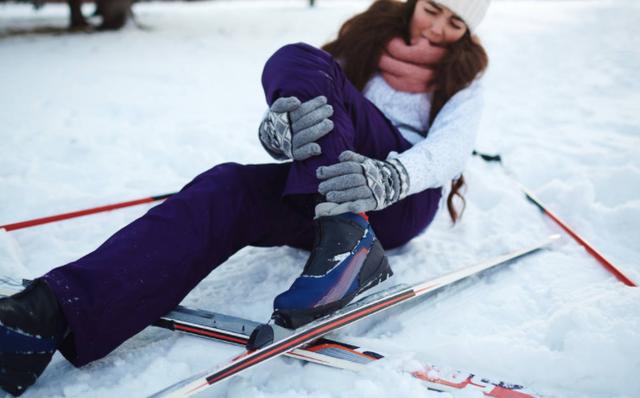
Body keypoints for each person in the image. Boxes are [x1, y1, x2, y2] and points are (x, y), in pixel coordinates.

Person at [0, 0, 490, 395]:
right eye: (433, 8)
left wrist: (393, 175)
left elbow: (451, 149)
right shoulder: (362, 43)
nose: (438, 27)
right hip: (330, 189)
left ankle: (350, 239)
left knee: (310, 75)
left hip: (399, 196)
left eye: (455, 23)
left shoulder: (465, 76)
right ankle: (45, 317)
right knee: (232, 177)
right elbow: (314, 103)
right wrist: (281, 131)